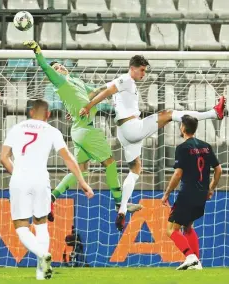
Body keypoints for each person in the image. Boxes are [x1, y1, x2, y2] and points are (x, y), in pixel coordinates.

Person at [79, 55, 226, 231]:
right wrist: (87, 107)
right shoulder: (126, 79)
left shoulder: (123, 82)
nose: (144, 74)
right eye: (142, 70)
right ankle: (213, 113)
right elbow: (105, 92)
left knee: (135, 169)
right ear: (133, 67)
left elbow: (98, 89)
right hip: (132, 126)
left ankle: (122, 210)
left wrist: (82, 104)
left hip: (124, 133)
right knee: (169, 113)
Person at [24, 40, 141, 223]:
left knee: (82, 170)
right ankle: (120, 204)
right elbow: (46, 68)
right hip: (86, 129)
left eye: (61, 64)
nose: (60, 67)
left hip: (79, 129)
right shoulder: (60, 82)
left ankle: (52, 197)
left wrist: (119, 84)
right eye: (57, 67)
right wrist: (38, 52)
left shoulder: (76, 81)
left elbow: (95, 92)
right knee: (110, 163)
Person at [0, 99, 94, 280]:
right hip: (41, 180)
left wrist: (18, 174)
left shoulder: (17, 128)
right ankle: (41, 273)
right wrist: (82, 182)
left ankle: (43, 255)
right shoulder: (52, 131)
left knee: (21, 227)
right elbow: (68, 158)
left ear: (31, 112)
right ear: (48, 114)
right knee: (41, 224)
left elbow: (4, 158)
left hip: (20, 179)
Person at [161, 115, 222, 270]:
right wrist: (211, 188)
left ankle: (190, 256)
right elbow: (218, 169)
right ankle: (197, 263)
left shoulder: (182, 148)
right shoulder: (206, 146)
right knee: (188, 226)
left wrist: (167, 192)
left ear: (183, 128)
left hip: (187, 193)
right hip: (201, 194)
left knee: (171, 229)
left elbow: (178, 174)